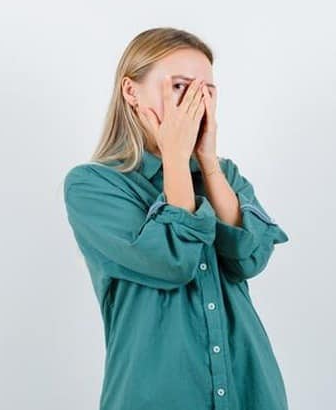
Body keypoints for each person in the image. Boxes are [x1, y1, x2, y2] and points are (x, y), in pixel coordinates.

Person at [63, 27, 291, 410]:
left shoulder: (224, 175)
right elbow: (172, 261)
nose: (194, 104)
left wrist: (207, 162)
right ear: (131, 92)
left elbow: (250, 258)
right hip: (155, 395)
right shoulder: (93, 185)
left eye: (206, 91)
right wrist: (174, 157)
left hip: (249, 391)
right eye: (180, 87)